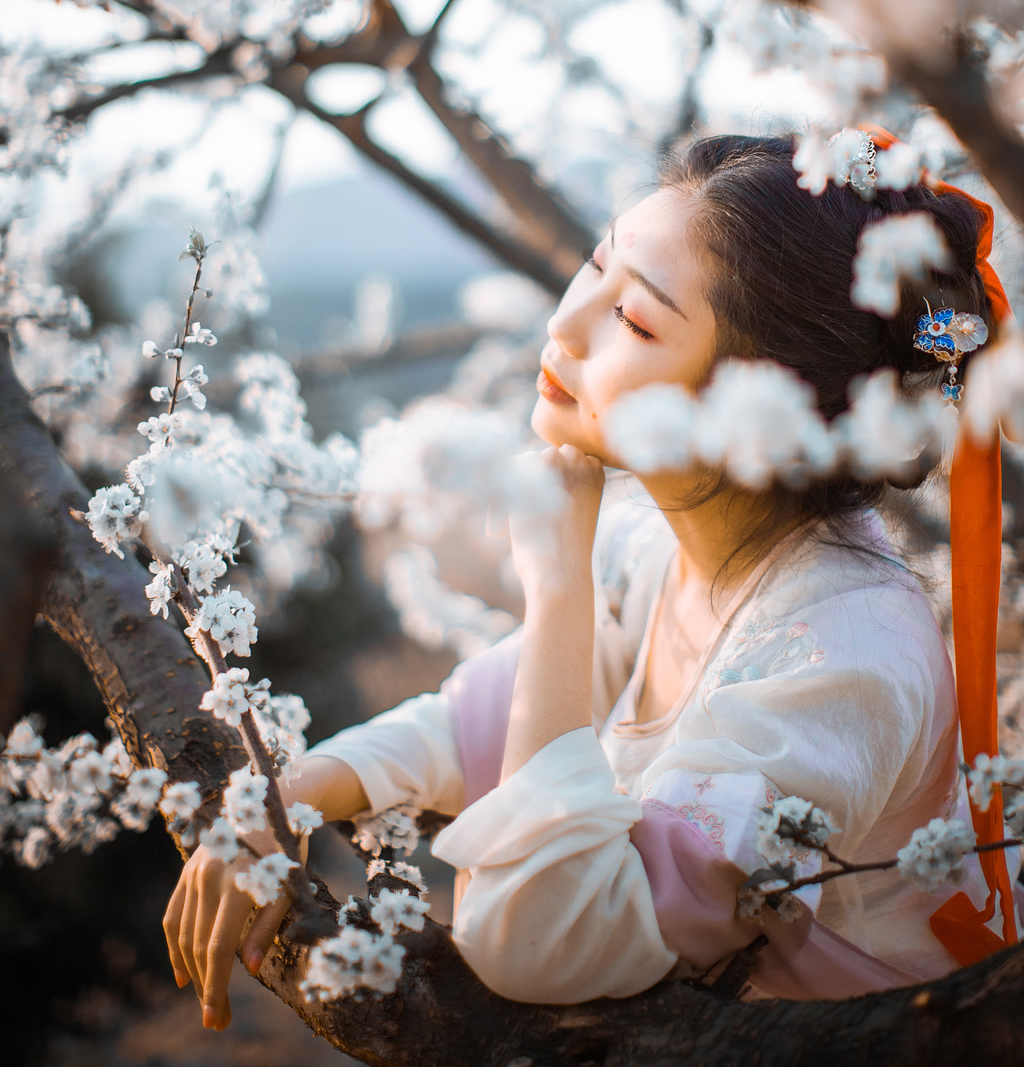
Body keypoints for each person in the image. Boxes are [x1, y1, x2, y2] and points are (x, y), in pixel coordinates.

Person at [162, 132, 1017, 1031]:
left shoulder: (847, 655)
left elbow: (534, 938)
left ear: (767, 410)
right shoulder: (665, 542)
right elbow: (480, 721)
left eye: (637, 320)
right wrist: (280, 801)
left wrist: (557, 579)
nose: (565, 326)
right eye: (594, 267)